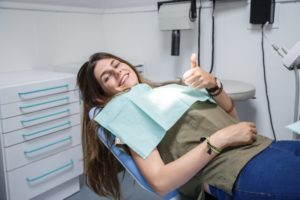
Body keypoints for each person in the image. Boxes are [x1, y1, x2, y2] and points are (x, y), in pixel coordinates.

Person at [77, 52, 300, 200]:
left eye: (117, 64)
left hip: (262, 146)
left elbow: (231, 116)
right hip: (233, 169)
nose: (118, 72)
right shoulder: (124, 110)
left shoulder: (164, 90)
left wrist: (214, 85)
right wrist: (219, 140)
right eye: (107, 77)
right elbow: (160, 182)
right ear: (101, 96)